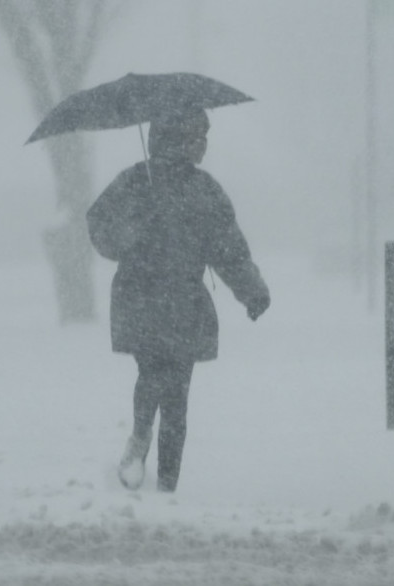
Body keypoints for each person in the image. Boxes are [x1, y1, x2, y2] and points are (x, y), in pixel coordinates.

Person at [86, 109, 270, 493]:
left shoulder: (184, 188)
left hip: (168, 301)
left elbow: (228, 250)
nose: (203, 144)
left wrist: (251, 290)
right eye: (196, 136)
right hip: (156, 299)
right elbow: (99, 223)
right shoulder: (159, 184)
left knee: (171, 392)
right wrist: (127, 236)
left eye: (204, 136)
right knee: (162, 381)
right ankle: (147, 451)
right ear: (174, 140)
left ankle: (161, 473)